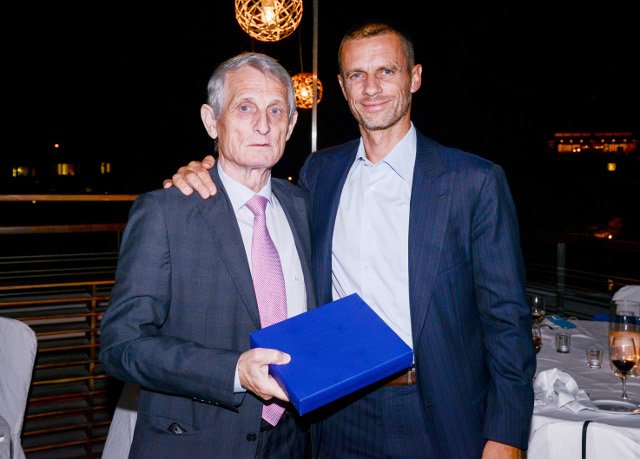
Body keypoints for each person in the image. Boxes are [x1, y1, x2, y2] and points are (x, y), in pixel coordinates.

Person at [164, 20, 536, 459]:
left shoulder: (473, 181)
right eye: (357, 75)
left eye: (386, 71)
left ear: (414, 77)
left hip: (434, 410)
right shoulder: (320, 173)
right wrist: (204, 172)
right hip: (334, 412)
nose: (371, 87)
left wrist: (507, 434)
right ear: (342, 87)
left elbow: (506, 319)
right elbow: (251, 192)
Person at [99, 52, 317, 458]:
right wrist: (233, 372)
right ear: (211, 120)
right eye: (245, 107)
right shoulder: (165, 212)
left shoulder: (303, 207)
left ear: (290, 125)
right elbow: (120, 345)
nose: (263, 124)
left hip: (294, 440)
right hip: (197, 441)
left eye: (275, 110)